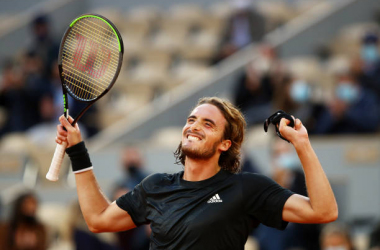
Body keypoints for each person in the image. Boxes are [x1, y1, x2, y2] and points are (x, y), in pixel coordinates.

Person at [55, 96, 338, 249]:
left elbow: (323, 211)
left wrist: (302, 145)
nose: (194, 126)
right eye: (191, 119)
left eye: (207, 123)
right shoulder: (155, 186)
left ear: (225, 144)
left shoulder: (246, 188)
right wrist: (78, 150)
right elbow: (98, 219)